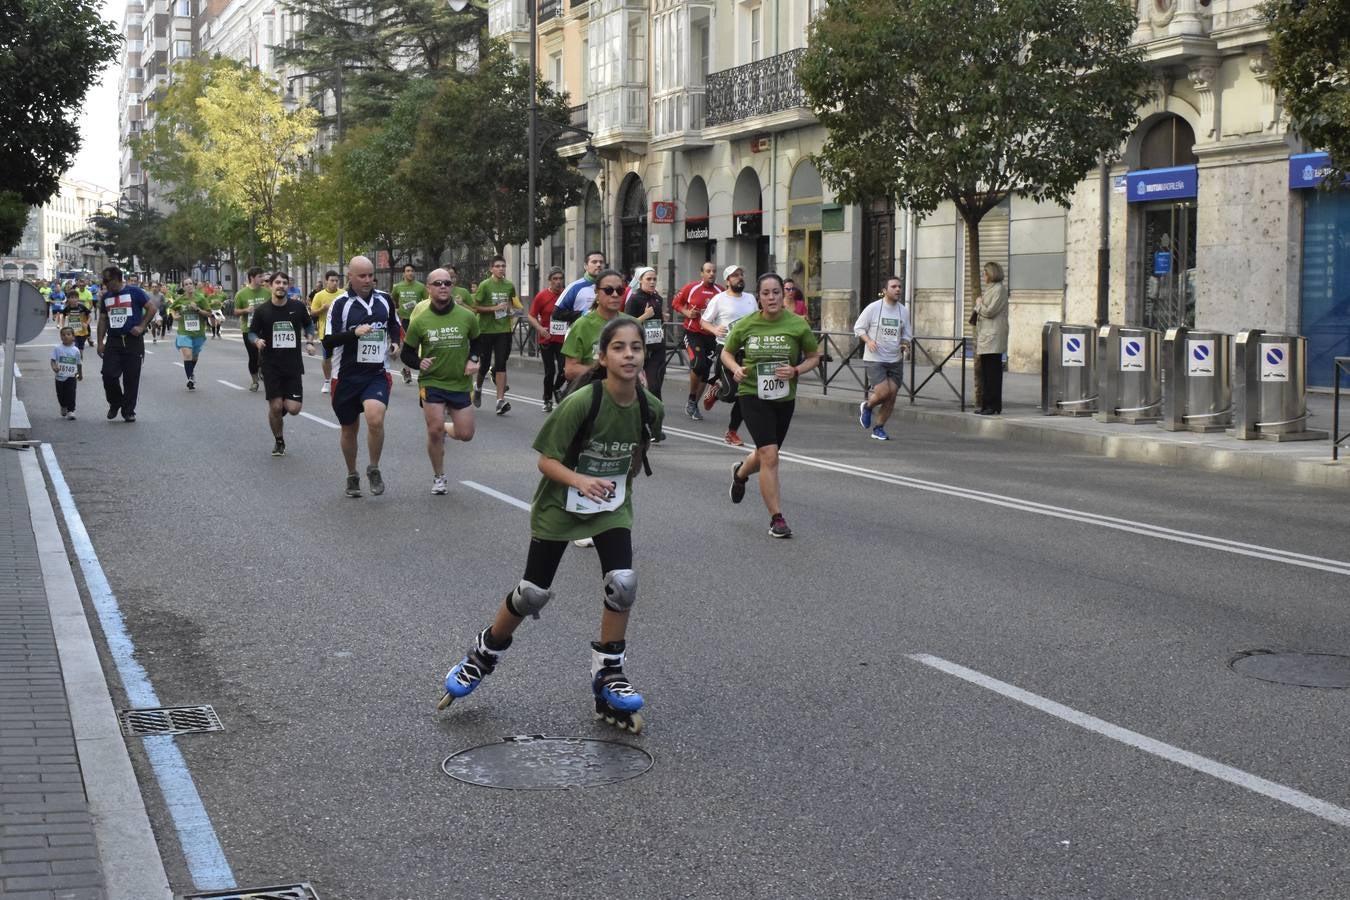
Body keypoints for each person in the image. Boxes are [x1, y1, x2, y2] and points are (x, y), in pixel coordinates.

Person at [437, 315, 663, 733]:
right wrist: (580, 479)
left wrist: (614, 490)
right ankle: (482, 655)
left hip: (609, 506)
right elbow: (545, 460)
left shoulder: (651, 407)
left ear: (644, 355)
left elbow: (637, 453)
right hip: (560, 504)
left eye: (636, 347)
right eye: (619, 347)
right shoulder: (582, 402)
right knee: (532, 594)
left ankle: (609, 672)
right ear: (603, 356)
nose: (628, 354)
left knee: (623, 582)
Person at [722, 273, 822, 539]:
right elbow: (727, 352)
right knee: (770, 454)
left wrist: (796, 370)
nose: (771, 298)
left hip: (783, 398)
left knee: (768, 453)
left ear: (783, 294)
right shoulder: (746, 324)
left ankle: (740, 473)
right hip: (752, 394)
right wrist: (735, 369)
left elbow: (814, 356)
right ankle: (777, 518)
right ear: (759, 298)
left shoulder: (797, 325)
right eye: (766, 293)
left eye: (776, 292)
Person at [322, 256, 401, 497]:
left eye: (370, 275)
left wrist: (396, 344)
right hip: (345, 375)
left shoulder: (385, 299)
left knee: (375, 419)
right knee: (349, 429)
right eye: (362, 276)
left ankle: (373, 468)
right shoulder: (340, 304)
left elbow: (395, 326)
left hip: (376, 372)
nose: (368, 280)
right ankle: (352, 473)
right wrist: (353, 333)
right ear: (351, 277)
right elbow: (328, 340)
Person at [398, 267, 480, 494]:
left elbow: (478, 342)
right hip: (432, 381)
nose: (443, 286)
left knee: (466, 434)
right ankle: (439, 477)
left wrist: (473, 358)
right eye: (437, 283)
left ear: (452, 286)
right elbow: (407, 354)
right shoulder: (420, 320)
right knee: (433, 430)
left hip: (460, 382)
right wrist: (418, 363)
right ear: (428, 289)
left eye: (446, 283)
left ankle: (445, 427)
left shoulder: (467, 316)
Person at [247, 272, 317, 456]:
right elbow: (252, 333)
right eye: (277, 282)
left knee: (293, 409)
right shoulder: (262, 310)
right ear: (270, 285)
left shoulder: (298, 307)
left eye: (285, 283)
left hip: (293, 364)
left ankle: (275, 414)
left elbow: (309, 326)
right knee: (276, 406)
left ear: (288, 286)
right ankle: (279, 440)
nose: (281, 286)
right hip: (271, 364)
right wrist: (257, 341)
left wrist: (310, 341)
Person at [700, 265, 758, 446]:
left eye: (741, 275)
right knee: (731, 393)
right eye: (735, 276)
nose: (739, 278)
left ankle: (732, 432)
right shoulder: (719, 299)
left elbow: (756, 321)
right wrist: (714, 329)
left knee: (743, 394)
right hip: (726, 350)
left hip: (747, 351)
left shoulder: (750, 299)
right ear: (727, 281)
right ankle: (716, 391)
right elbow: (704, 322)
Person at [853, 275, 913, 441]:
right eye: (894, 287)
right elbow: (858, 328)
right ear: (885, 290)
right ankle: (868, 406)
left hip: (895, 359)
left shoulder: (903, 311)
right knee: (883, 392)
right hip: (875, 358)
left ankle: (878, 428)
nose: (898, 289)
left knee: (892, 395)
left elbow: (907, 334)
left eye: (900, 287)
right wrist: (868, 341)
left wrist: (904, 344)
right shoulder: (873, 308)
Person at [95, 266, 157, 423]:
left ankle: (128, 411)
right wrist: (100, 342)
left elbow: (152, 308)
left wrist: (142, 326)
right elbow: (102, 319)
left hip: (132, 341)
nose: (104, 283)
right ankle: (115, 402)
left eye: (106, 280)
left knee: (131, 378)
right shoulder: (106, 297)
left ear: (116, 279)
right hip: (113, 341)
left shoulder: (135, 292)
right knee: (108, 374)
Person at [469, 256, 521, 415]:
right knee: (484, 365)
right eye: (497, 266)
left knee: (501, 364)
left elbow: (513, 302)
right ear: (491, 269)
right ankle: (477, 388)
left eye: (503, 266)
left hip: (503, 330)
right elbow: (474, 307)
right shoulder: (485, 285)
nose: (501, 269)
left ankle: (500, 401)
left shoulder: (509, 286)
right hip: (485, 330)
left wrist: (511, 310)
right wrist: (494, 308)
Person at [562, 269, 633, 384]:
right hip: (592, 394)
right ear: (596, 292)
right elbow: (570, 370)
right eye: (608, 290)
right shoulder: (582, 325)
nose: (615, 295)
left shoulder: (631, 323)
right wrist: (605, 375)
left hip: (625, 395)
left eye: (620, 290)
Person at [671, 261, 721, 421]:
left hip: (712, 336)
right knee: (698, 365)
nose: (711, 274)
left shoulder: (721, 291)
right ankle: (692, 398)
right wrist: (686, 312)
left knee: (705, 372)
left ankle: (693, 404)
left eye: (713, 271)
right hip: (693, 333)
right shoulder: (691, 288)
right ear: (702, 273)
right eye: (708, 271)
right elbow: (675, 303)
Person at [624, 266, 668, 402]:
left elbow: (658, 323)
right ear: (640, 280)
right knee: (637, 386)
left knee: (655, 387)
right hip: (639, 349)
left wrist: (663, 318)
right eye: (648, 279)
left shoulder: (658, 298)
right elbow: (627, 325)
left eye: (654, 279)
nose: (652, 282)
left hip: (657, 347)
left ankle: (655, 416)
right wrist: (644, 316)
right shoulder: (634, 299)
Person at [527, 266, 567, 412]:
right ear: (549, 281)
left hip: (563, 339)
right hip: (547, 339)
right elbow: (531, 315)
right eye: (555, 279)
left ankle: (556, 389)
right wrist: (540, 329)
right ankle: (547, 399)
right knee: (550, 371)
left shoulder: (566, 294)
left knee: (565, 369)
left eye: (560, 278)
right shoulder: (542, 296)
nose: (558, 282)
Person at [972, 261, 1009, 416]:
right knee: (987, 372)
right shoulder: (992, 289)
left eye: (985, 273)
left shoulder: (999, 290)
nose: (983, 276)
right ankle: (987, 404)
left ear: (992, 274)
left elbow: (990, 311)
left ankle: (992, 405)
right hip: (987, 335)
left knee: (992, 373)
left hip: (992, 336)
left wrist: (979, 304)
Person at [234, 267, 271, 391]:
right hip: (249, 329)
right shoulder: (241, 294)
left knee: (266, 354)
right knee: (253, 356)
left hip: (265, 328)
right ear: (252, 278)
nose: (262, 279)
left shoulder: (267, 292)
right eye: (260, 276)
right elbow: (235, 312)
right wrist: (246, 310)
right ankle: (255, 381)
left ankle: (264, 370)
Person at [392, 264, 429, 384]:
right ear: (403, 274)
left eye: (412, 271)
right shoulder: (398, 287)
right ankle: (407, 370)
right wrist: (397, 311)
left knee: (418, 346)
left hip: (418, 320)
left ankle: (417, 368)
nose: (410, 273)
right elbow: (394, 301)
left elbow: (428, 301)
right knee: (408, 345)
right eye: (408, 271)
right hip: (404, 320)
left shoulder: (420, 287)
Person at [172, 277, 210, 391]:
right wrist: (174, 315)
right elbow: (172, 309)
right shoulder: (180, 299)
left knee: (194, 356)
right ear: (183, 287)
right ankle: (190, 379)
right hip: (184, 331)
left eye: (190, 283)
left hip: (198, 332)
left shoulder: (201, 298)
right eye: (186, 284)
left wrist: (197, 309)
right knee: (187, 355)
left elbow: (208, 313)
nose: (189, 285)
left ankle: (191, 373)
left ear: (193, 285)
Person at [309, 270, 342, 394]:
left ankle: (339, 379)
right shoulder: (319, 295)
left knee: (341, 357)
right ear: (326, 281)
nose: (334, 283)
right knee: (327, 358)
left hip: (340, 332)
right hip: (325, 332)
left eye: (336, 281)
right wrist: (322, 309)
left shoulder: (343, 294)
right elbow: (312, 313)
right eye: (332, 281)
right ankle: (327, 380)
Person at [552, 250, 605, 323]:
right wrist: (582, 314)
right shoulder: (575, 287)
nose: (598, 264)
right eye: (594, 262)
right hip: (580, 333)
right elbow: (557, 314)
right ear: (585, 266)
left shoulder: (611, 288)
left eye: (601, 262)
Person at [50, 326, 82, 420]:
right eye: (63, 335)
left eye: (68, 334)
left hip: (72, 376)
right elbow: (52, 360)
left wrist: (79, 374)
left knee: (71, 392)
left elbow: (78, 364)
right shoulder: (57, 348)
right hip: (59, 377)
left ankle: (71, 410)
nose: (65, 336)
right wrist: (54, 367)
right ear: (60, 337)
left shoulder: (76, 350)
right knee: (60, 394)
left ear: (73, 337)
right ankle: (63, 405)